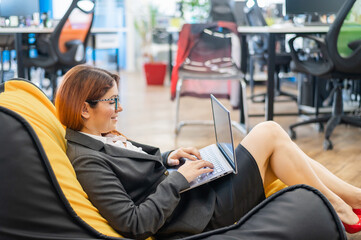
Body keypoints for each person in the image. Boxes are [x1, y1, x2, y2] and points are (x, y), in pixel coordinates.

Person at [55, 65, 361, 239]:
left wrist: (168, 158)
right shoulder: (87, 161)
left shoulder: (99, 135)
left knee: (279, 149)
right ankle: (341, 209)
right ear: (84, 108)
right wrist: (179, 180)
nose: (119, 108)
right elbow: (135, 223)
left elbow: (135, 167)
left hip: (195, 194)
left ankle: (354, 199)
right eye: (112, 101)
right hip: (200, 213)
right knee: (268, 132)